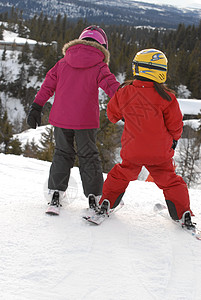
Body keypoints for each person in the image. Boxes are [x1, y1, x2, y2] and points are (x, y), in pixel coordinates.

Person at [27, 25, 120, 214]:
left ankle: (55, 194)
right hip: (85, 121)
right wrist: (129, 106)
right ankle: (95, 197)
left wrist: (36, 107)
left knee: (62, 154)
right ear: (103, 46)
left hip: (61, 119)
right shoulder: (99, 65)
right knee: (88, 157)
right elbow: (113, 89)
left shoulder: (62, 63)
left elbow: (47, 86)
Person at [96, 48, 194, 228]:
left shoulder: (124, 92)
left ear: (138, 68)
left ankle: (106, 203)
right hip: (160, 153)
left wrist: (126, 114)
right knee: (170, 181)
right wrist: (173, 140)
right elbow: (176, 126)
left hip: (132, 150)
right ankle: (183, 214)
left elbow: (112, 115)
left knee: (120, 175)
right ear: (160, 71)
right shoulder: (167, 97)